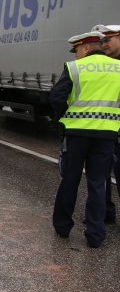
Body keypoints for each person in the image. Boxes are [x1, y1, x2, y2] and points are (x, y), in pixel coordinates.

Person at [51, 31, 120, 248]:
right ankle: (95, 235)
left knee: (70, 179)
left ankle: (63, 227)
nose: (77, 54)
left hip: (77, 134)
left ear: (87, 48)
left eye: (78, 50)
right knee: (98, 183)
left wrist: (63, 118)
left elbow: (56, 96)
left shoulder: (75, 68)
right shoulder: (118, 68)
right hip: (107, 135)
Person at [92, 24, 120, 223]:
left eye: (108, 40)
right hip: (104, 131)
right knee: (101, 177)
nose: (103, 45)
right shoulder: (105, 65)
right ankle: (105, 214)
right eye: (101, 41)